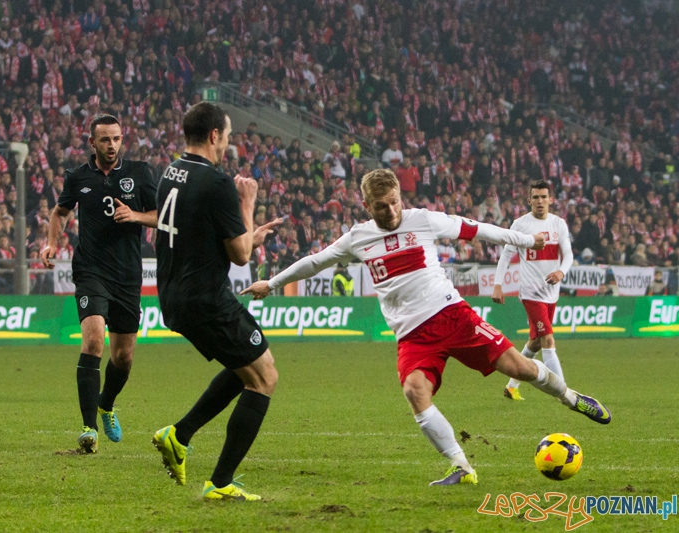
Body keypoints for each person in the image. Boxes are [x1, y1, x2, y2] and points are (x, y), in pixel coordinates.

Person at [242, 169, 610, 486]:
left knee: (520, 368)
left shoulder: (423, 219)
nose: (391, 211)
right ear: (367, 206)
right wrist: (271, 284)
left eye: (395, 202)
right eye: (382, 206)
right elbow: (314, 262)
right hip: (412, 335)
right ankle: (461, 466)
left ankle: (572, 398)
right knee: (415, 391)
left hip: (452, 316)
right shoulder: (358, 238)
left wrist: (528, 240)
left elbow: (479, 230)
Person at [151, 102, 281, 501]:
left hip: (174, 297)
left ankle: (180, 435)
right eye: (226, 135)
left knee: (248, 367)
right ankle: (220, 482)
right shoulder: (218, 182)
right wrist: (248, 202)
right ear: (213, 135)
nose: (228, 143)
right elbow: (241, 255)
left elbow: (210, 235)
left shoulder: (170, 174)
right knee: (264, 378)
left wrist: (246, 236)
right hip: (206, 299)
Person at [41, 114, 157, 454]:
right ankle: (88, 427)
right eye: (105, 140)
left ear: (123, 139)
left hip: (127, 276)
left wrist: (135, 216)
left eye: (116, 139)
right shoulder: (78, 177)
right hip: (91, 270)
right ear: (92, 143)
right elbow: (60, 213)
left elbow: (161, 214)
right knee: (93, 342)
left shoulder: (139, 172)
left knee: (123, 357)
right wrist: (52, 242)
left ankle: (106, 404)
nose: (112, 145)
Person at [492, 181, 573, 401]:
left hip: (551, 293)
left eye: (543, 197)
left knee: (536, 342)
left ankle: (511, 386)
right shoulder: (520, 225)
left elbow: (568, 254)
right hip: (531, 293)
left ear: (550, 199)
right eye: (535, 197)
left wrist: (561, 272)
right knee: (548, 340)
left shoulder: (558, 224)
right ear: (529, 200)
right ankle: (564, 393)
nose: (540, 201)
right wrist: (498, 285)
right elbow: (506, 255)